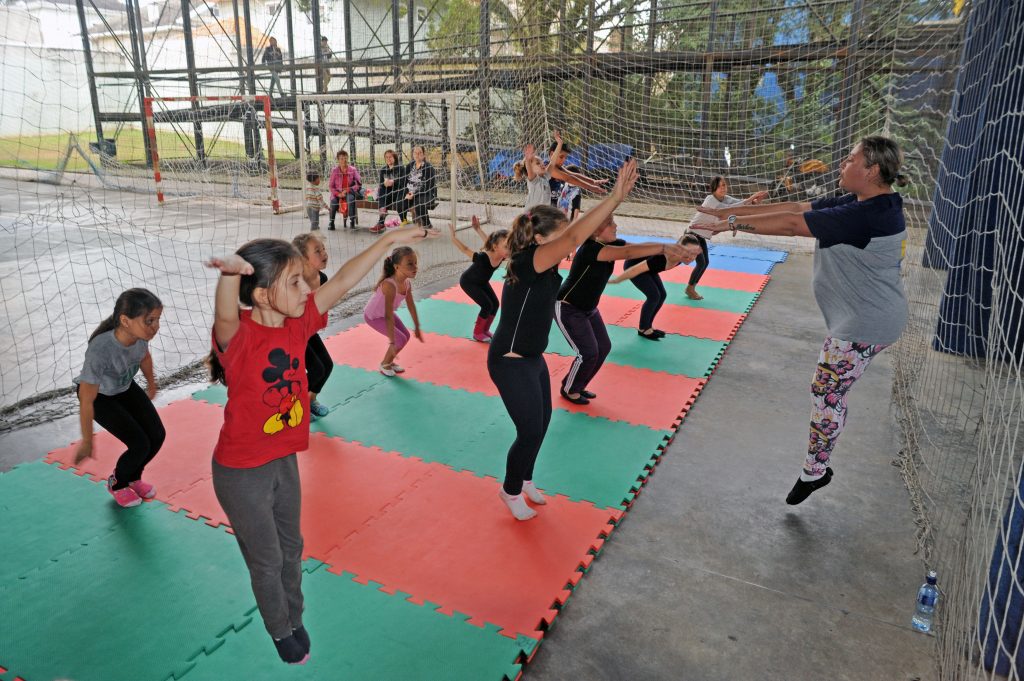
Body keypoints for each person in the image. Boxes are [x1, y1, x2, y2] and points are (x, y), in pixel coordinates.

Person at [205, 225, 436, 665]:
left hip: (282, 461)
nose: (307, 286)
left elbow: (346, 279)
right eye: (294, 281)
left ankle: (295, 615)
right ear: (262, 295)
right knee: (267, 560)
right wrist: (230, 276)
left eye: (303, 277)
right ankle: (279, 629)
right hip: (241, 472)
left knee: (292, 548)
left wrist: (387, 243)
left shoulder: (298, 322)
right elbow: (225, 318)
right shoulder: (241, 338)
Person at [696, 135, 910, 505]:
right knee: (828, 391)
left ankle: (815, 471)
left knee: (827, 393)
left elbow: (795, 226)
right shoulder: (863, 200)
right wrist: (726, 214)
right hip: (864, 318)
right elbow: (795, 206)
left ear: (871, 170)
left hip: (865, 325)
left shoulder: (867, 216)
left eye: (850, 159)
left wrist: (731, 224)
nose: (843, 163)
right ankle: (817, 467)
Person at [488, 159, 639, 521]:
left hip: (531, 357)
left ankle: (524, 480)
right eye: (559, 236)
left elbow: (573, 233)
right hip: (509, 360)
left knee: (543, 421)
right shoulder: (530, 261)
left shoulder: (545, 261)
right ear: (540, 239)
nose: (567, 240)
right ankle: (509, 491)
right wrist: (615, 197)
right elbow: (574, 236)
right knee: (528, 430)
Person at [555, 217, 687, 403]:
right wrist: (664, 247)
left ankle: (576, 384)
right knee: (589, 352)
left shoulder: (610, 243)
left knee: (603, 347)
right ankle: (569, 390)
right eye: (610, 224)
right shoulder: (591, 249)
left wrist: (670, 249)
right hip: (569, 307)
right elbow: (628, 252)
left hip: (589, 308)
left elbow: (637, 248)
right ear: (596, 231)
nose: (616, 226)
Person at [73, 288, 165, 508]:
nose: (155, 327)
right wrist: (87, 440)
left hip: (124, 387)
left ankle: (134, 477)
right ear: (125, 320)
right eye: (149, 321)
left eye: (157, 320)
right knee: (139, 443)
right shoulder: (101, 349)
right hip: (100, 397)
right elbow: (86, 400)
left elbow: (144, 358)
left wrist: (151, 384)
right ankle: (117, 483)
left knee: (157, 435)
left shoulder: (140, 336)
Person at [685, 177, 769, 300]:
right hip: (691, 234)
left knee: (704, 262)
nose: (723, 188)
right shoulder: (710, 200)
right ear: (714, 188)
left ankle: (690, 288)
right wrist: (752, 197)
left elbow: (741, 204)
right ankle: (689, 288)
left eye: (724, 185)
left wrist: (755, 201)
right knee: (690, 262)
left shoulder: (726, 198)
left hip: (700, 235)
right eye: (720, 186)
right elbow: (728, 209)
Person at [611, 234, 703, 339]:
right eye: (687, 252)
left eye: (694, 253)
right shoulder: (662, 257)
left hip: (650, 269)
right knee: (653, 296)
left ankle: (648, 326)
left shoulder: (681, 256)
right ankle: (643, 329)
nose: (691, 257)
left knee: (662, 295)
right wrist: (617, 280)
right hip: (635, 266)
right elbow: (636, 269)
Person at [363, 246, 424, 377]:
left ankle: (389, 362)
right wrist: (392, 341)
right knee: (399, 340)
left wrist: (417, 326)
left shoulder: (407, 283)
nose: (415, 267)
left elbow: (411, 305)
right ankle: (384, 364)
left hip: (386, 314)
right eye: (409, 264)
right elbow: (389, 315)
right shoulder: (389, 285)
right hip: (374, 316)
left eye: (415, 263)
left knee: (406, 336)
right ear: (397, 267)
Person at [292, 232, 333, 419]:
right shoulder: (292, 281)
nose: (324, 253)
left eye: (323, 249)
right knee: (316, 369)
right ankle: (294, 406)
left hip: (308, 331)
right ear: (303, 258)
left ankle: (310, 401)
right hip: (291, 334)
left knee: (327, 365)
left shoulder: (322, 278)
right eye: (317, 251)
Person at [449, 215, 508, 341]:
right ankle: (477, 333)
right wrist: (454, 238)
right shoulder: (482, 258)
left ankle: (485, 330)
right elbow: (465, 250)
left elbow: (489, 241)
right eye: (507, 246)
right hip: (469, 282)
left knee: (495, 304)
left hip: (481, 282)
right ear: (496, 247)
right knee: (486, 305)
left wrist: (478, 229)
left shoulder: (502, 254)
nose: (510, 249)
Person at [548, 141, 607, 217]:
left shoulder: (558, 167)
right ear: (552, 154)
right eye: (561, 157)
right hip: (540, 208)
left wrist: (593, 181)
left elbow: (573, 174)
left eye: (565, 157)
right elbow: (568, 178)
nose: (563, 160)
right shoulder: (548, 168)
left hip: (550, 208)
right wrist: (590, 187)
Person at [513, 130, 563, 210]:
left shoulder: (545, 176)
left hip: (542, 215)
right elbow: (529, 170)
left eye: (542, 162)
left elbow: (553, 161)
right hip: (531, 216)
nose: (542, 164)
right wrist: (528, 159)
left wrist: (559, 143)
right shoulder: (533, 180)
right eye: (538, 163)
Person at [373, 149, 407, 233]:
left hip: (398, 193)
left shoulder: (401, 168)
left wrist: (393, 182)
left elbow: (403, 183)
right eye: (386, 157)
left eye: (390, 157)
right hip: (387, 194)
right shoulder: (383, 170)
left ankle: (382, 222)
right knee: (381, 189)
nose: (388, 159)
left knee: (385, 193)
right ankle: (381, 221)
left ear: (394, 158)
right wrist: (384, 184)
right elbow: (381, 183)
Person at [328, 150, 362, 231]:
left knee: (350, 199)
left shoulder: (353, 170)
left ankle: (352, 221)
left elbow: (359, 183)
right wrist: (338, 194)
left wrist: (349, 189)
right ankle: (331, 222)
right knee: (333, 202)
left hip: (349, 191)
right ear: (338, 160)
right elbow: (331, 186)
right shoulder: (335, 171)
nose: (344, 160)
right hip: (338, 193)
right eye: (342, 158)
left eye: (345, 158)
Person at [404, 146, 437, 228]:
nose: (417, 155)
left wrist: (414, 194)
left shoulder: (429, 167)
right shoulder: (409, 166)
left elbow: (428, 186)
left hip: (427, 193)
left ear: (424, 154)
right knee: (400, 200)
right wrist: (406, 193)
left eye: (420, 153)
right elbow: (404, 182)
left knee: (418, 202)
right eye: (415, 153)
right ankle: (409, 221)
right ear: (413, 154)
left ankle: (427, 224)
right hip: (410, 193)